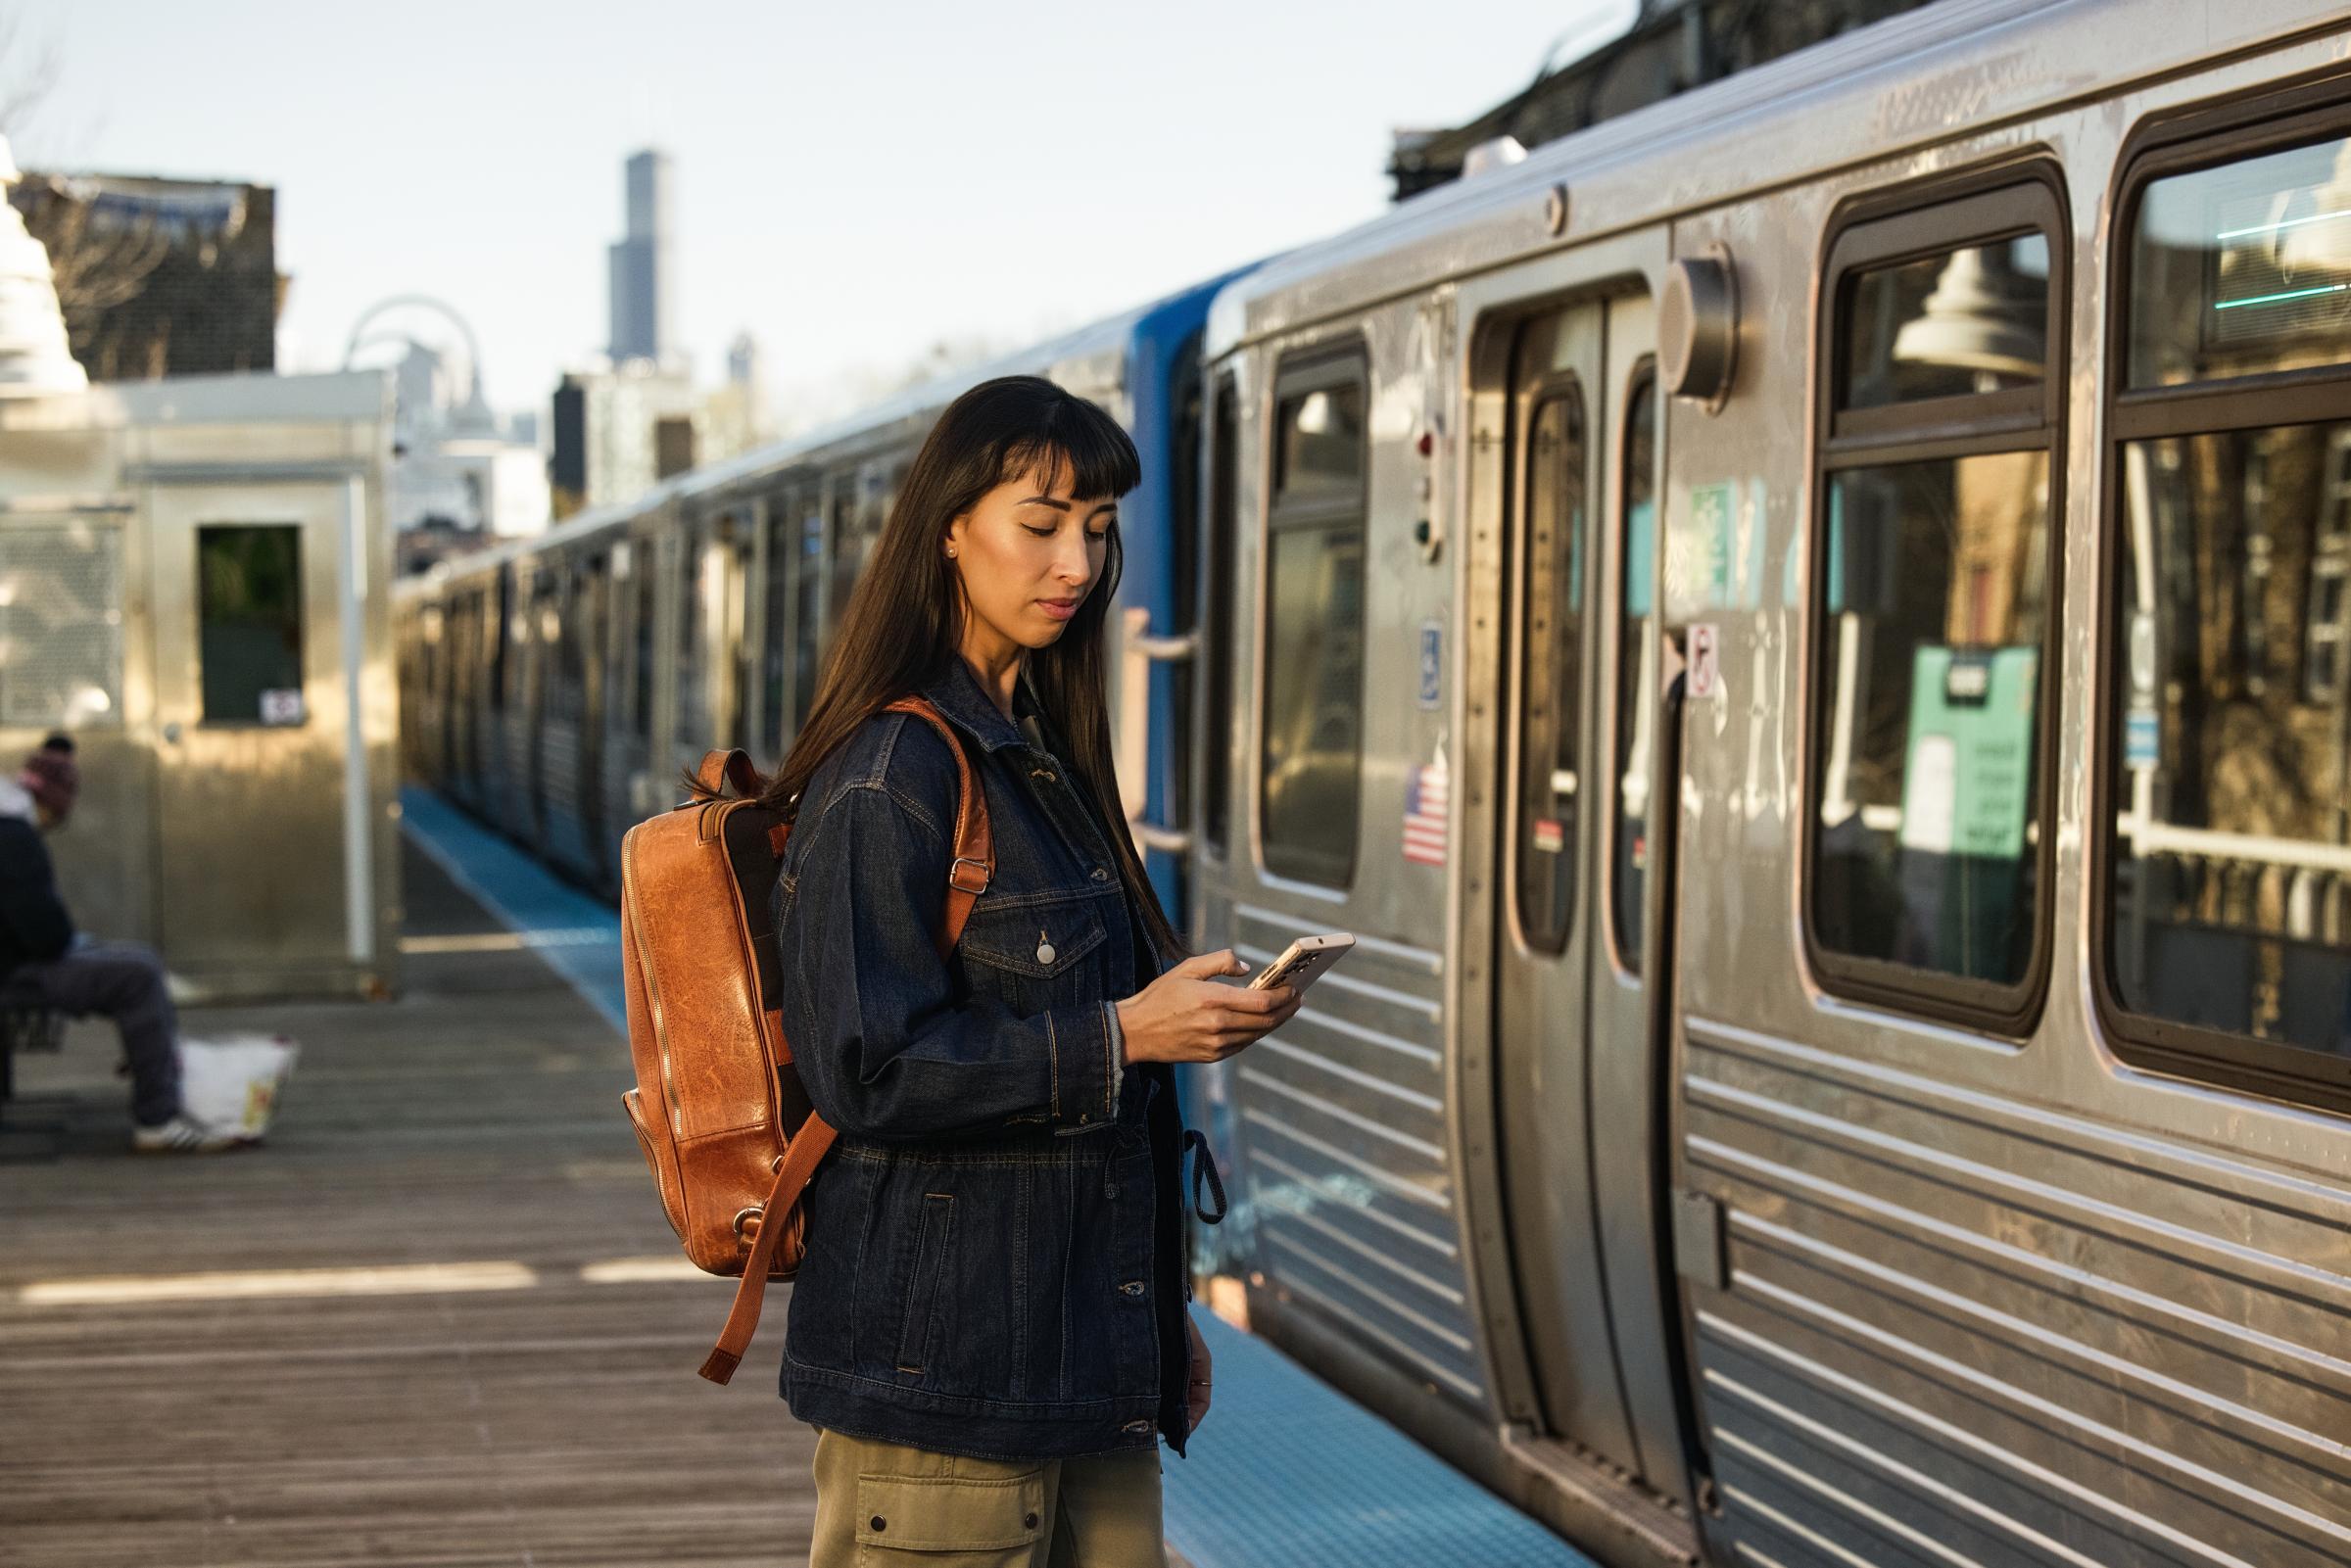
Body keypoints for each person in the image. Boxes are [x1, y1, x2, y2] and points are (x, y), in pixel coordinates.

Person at [763, 377, 1299, 1567]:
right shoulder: (891, 771)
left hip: (1083, 1366)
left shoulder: (1042, 761)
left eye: (1098, 529)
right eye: (1042, 522)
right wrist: (1124, 1033)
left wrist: (1158, 1328)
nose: (1076, 560)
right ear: (951, 525)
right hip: (949, 1382)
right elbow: (870, 1070)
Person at [0, 734, 238, 1153]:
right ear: (53, 806)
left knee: (134, 959)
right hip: (13, 973)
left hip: (13, 960)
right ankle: (157, 1120)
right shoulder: (14, 837)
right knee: (137, 974)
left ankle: (156, 1066)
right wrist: (70, 942)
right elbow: (45, 932)